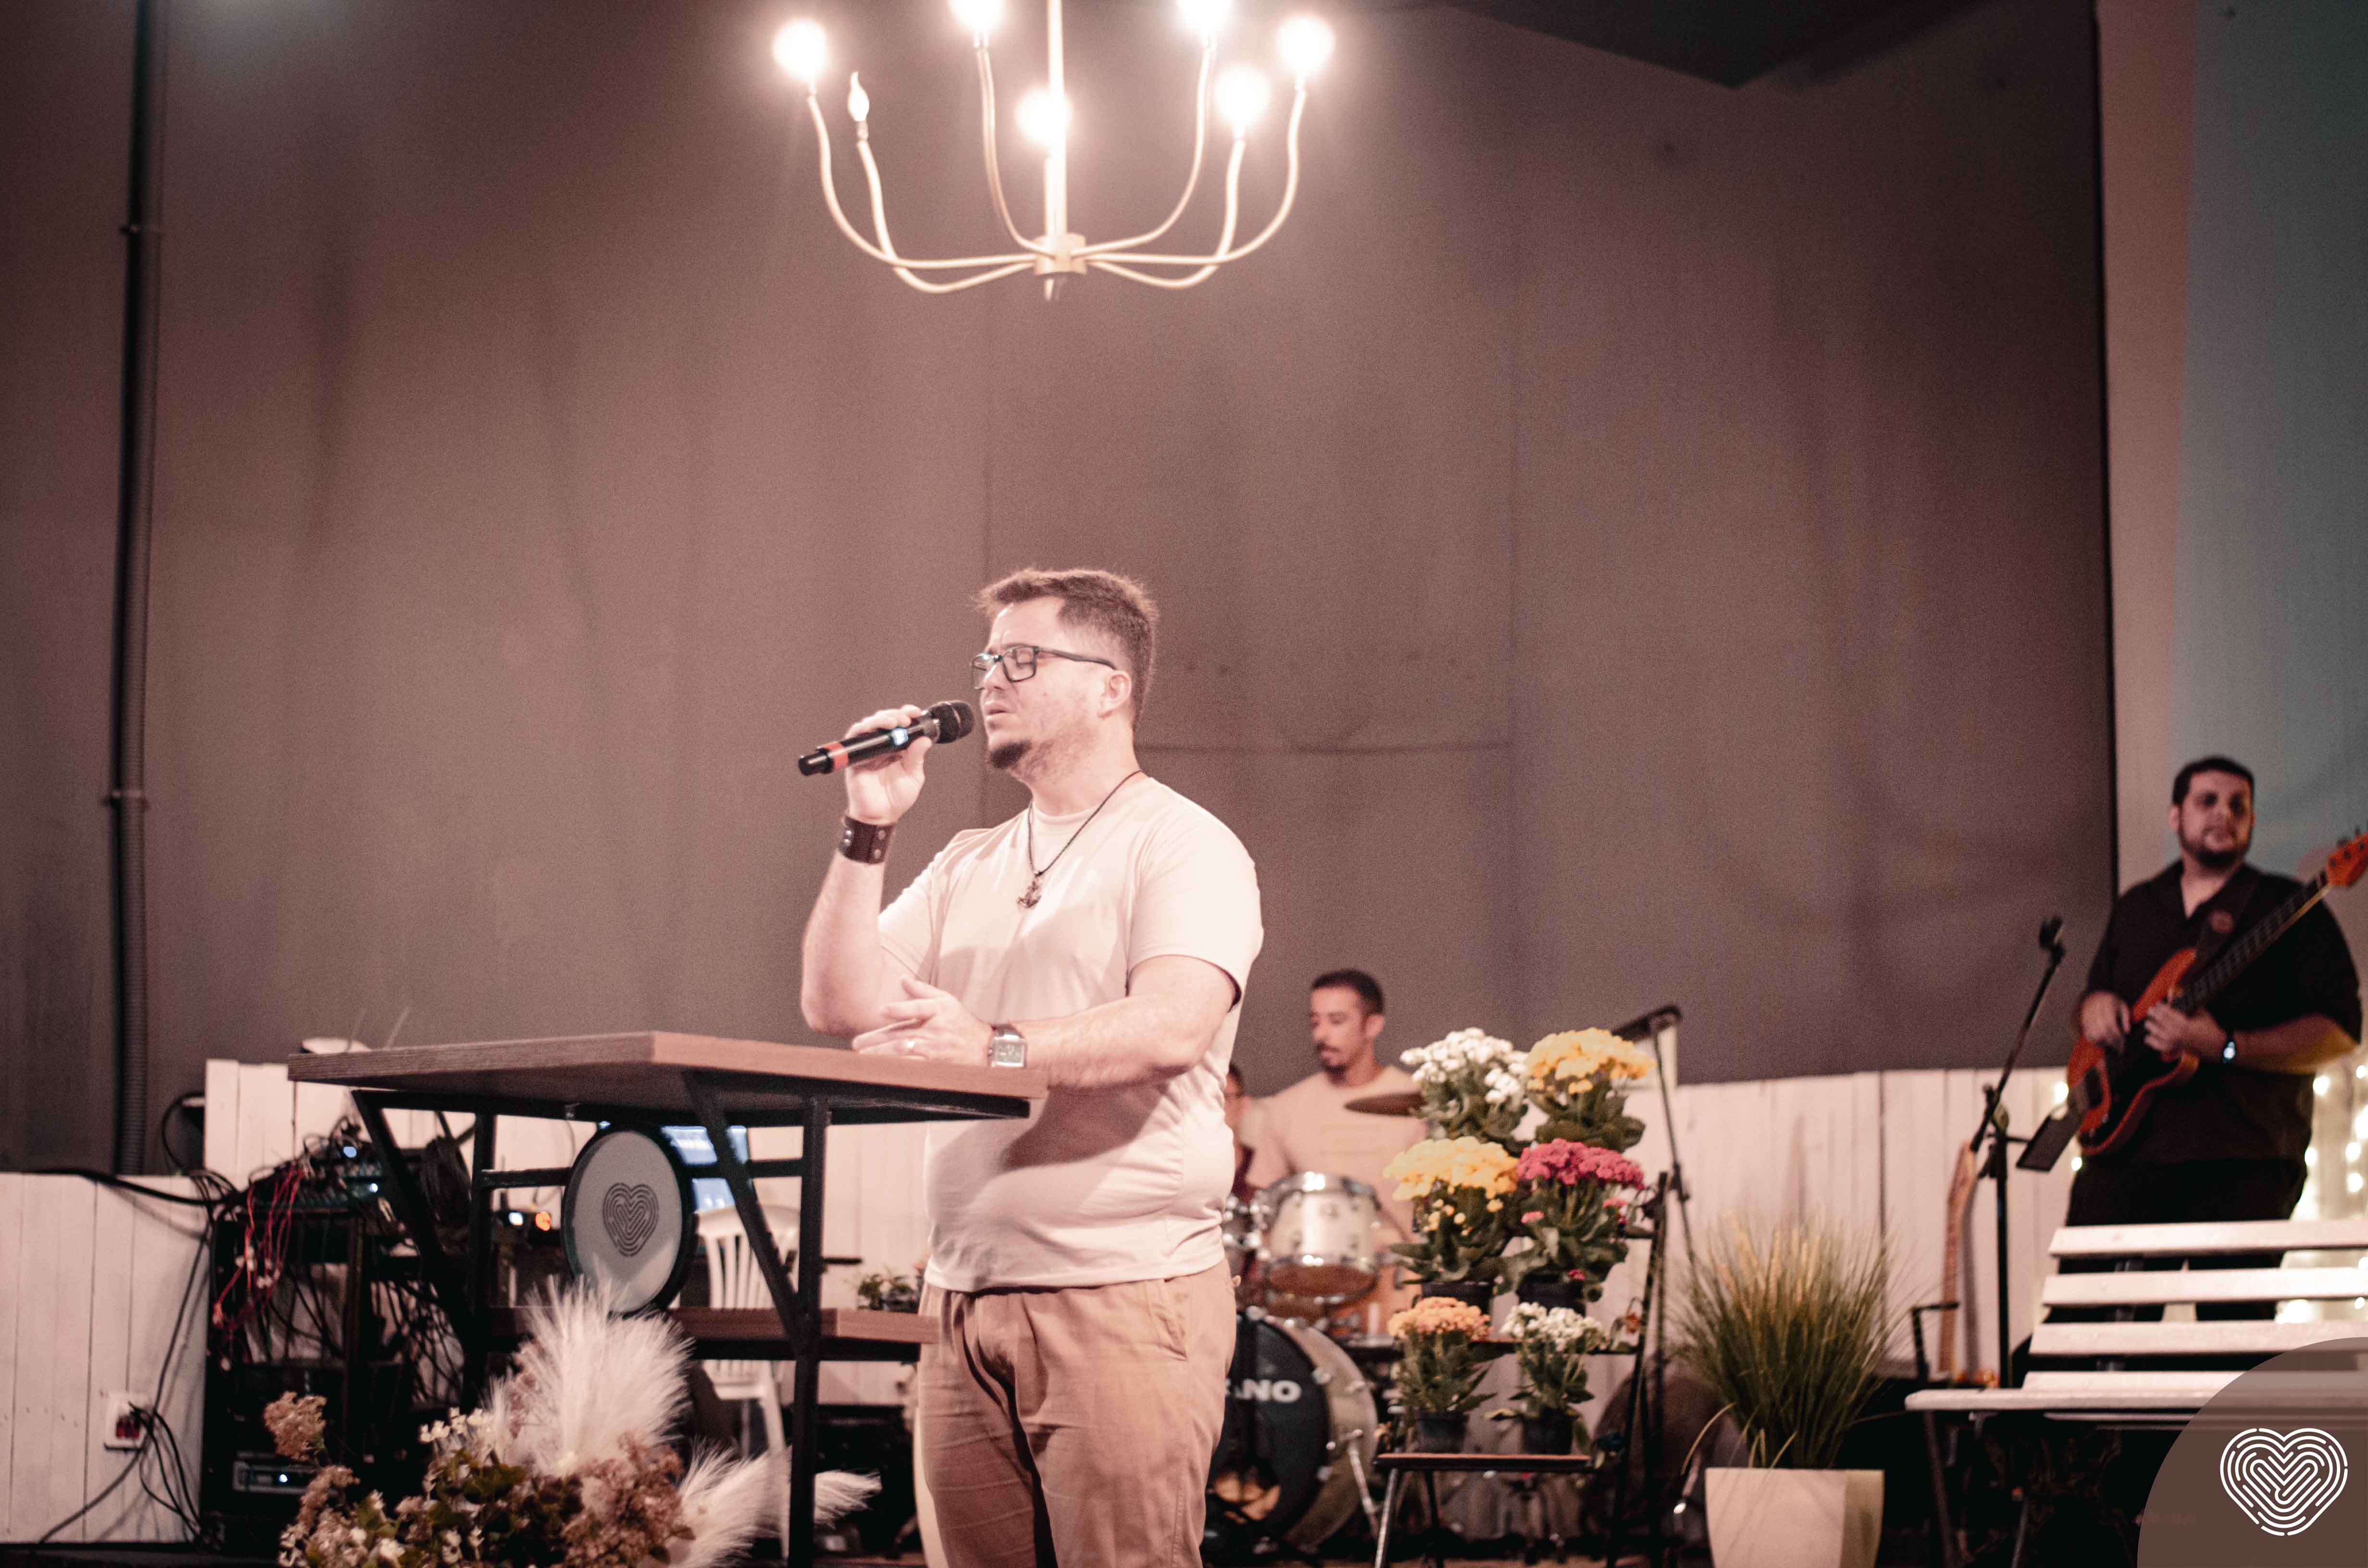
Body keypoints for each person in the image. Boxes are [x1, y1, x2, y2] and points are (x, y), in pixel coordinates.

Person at [799, 567, 1262, 1568]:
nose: (988, 681)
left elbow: (1172, 1026)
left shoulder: (1182, 844)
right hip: (960, 1297)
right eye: (986, 659)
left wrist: (994, 1047)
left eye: (1020, 658)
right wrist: (870, 822)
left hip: (1120, 1291)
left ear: (1110, 686)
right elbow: (836, 1002)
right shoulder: (970, 858)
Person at [2053, 755, 2361, 1324]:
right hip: (2124, 1155)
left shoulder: (2289, 906)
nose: (2223, 814)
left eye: (2237, 805)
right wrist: (2090, 1008)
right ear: (2175, 816)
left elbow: (2340, 1034)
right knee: (2083, 1327)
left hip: (2243, 1160)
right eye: (2207, 801)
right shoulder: (2137, 906)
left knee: (2231, 1335)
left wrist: (2224, 1045)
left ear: (2251, 821)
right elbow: (2093, 1001)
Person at [1243, 971, 1426, 1329]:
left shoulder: (1418, 1104)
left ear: (1373, 1025)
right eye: (1316, 1022)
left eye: (1337, 1021)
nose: (1321, 1035)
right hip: (1303, 1292)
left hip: (1394, 1284)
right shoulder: (1286, 1107)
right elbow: (1262, 1203)